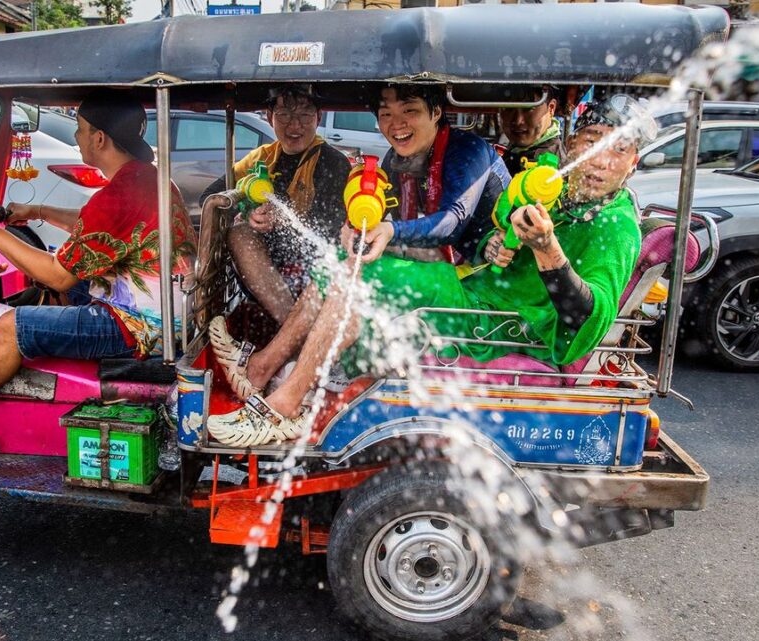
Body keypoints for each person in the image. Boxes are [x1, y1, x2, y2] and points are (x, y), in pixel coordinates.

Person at [205, 94, 657, 447]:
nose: (599, 159)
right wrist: (496, 243)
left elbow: (588, 320)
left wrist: (548, 251)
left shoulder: (615, 226)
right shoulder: (556, 187)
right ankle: (265, 368)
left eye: (618, 149)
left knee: (359, 279)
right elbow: (486, 235)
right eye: (590, 141)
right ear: (572, 143)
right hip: (474, 289)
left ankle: (283, 403)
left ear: (633, 162)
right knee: (348, 266)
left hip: (503, 324)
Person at [0, 90, 196, 445]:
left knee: (10, 326)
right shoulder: (147, 178)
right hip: (168, 312)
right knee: (60, 285)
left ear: (99, 137)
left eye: (80, 129)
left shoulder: (117, 196)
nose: (76, 137)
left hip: (142, 327)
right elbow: (94, 225)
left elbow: (56, 273)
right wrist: (36, 212)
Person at [201, 85, 350, 325]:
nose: (294, 125)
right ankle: (290, 327)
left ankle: (290, 332)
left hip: (314, 270)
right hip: (262, 273)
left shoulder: (334, 162)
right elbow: (210, 197)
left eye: (304, 115)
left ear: (318, 118)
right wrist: (246, 211)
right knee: (239, 233)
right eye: (284, 115)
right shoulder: (261, 157)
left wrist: (283, 220)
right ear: (269, 117)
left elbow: (328, 230)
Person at [356, 84, 511, 264]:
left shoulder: (467, 150)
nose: (397, 124)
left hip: (496, 268)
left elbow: (450, 223)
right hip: (449, 262)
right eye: (386, 114)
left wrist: (391, 232)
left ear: (436, 112)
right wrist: (357, 229)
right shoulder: (394, 159)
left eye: (409, 110)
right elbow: (379, 212)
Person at [498, 85, 566, 174]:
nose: (518, 120)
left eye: (528, 108)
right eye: (508, 108)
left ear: (551, 108)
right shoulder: (518, 150)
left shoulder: (548, 168)